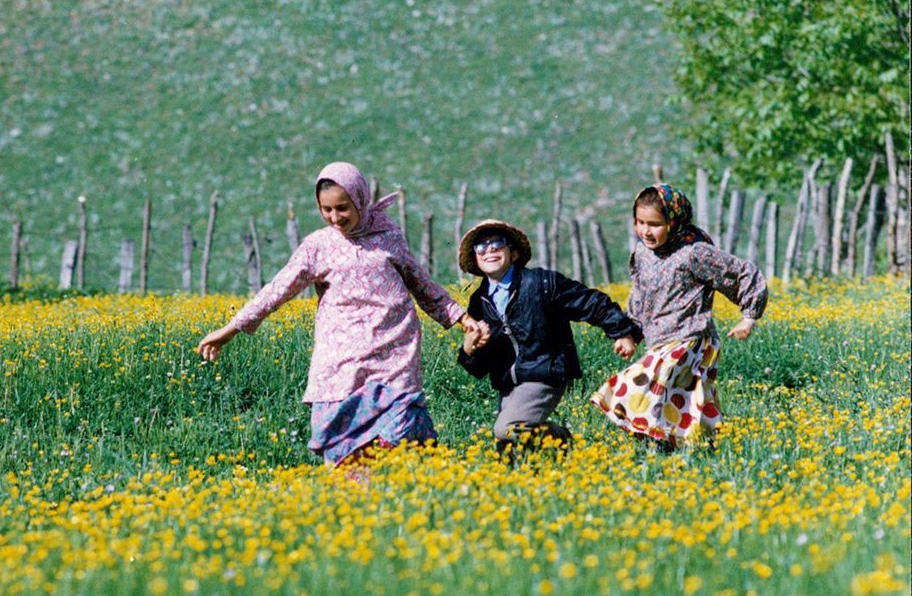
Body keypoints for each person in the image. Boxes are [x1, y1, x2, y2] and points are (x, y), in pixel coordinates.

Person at [196, 161, 486, 466]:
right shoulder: (317, 246)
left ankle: (407, 491)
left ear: (360, 199)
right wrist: (230, 329)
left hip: (394, 355)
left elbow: (421, 283)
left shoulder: (389, 235)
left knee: (403, 432)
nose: (335, 218)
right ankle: (354, 501)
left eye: (343, 208)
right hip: (342, 361)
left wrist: (462, 319)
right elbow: (277, 290)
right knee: (343, 441)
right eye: (327, 210)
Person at [590, 183, 768, 450]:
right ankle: (690, 447)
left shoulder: (694, 253)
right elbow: (640, 298)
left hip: (692, 340)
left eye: (655, 224)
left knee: (641, 385)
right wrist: (630, 333)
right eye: (640, 222)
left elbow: (742, 273)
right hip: (661, 340)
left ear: (674, 221)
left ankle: (656, 442)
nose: (646, 231)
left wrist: (749, 317)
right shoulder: (642, 253)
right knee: (684, 400)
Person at [457, 219, 641, 459]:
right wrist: (469, 351)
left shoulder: (542, 283)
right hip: (510, 382)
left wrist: (622, 332)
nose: (489, 250)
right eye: (481, 247)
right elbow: (482, 366)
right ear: (476, 260)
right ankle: (537, 472)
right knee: (508, 448)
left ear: (513, 253)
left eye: (497, 244)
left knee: (507, 429)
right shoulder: (479, 301)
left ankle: (560, 438)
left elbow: (590, 302)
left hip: (545, 371)